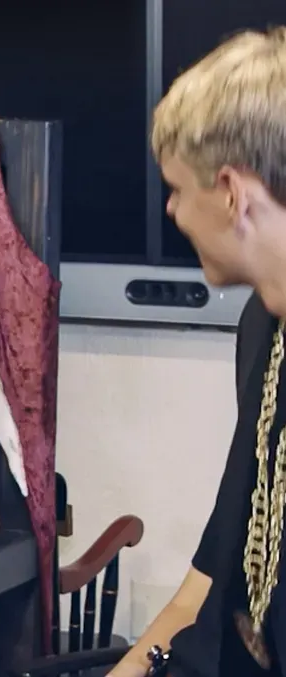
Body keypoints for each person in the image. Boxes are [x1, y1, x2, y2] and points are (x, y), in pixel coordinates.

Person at [108, 26, 286, 677]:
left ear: (232, 192)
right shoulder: (259, 329)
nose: (171, 210)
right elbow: (205, 582)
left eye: (178, 189)